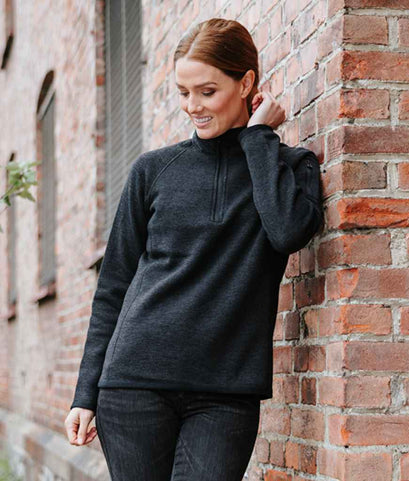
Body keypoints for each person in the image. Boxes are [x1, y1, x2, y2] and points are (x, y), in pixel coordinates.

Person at [64, 17, 324, 481]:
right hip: (134, 383)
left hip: (226, 392)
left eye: (207, 91)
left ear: (246, 83)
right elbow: (114, 286)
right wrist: (85, 393)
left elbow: (287, 232)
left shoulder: (288, 167)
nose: (192, 107)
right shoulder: (152, 170)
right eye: (184, 93)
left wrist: (258, 138)